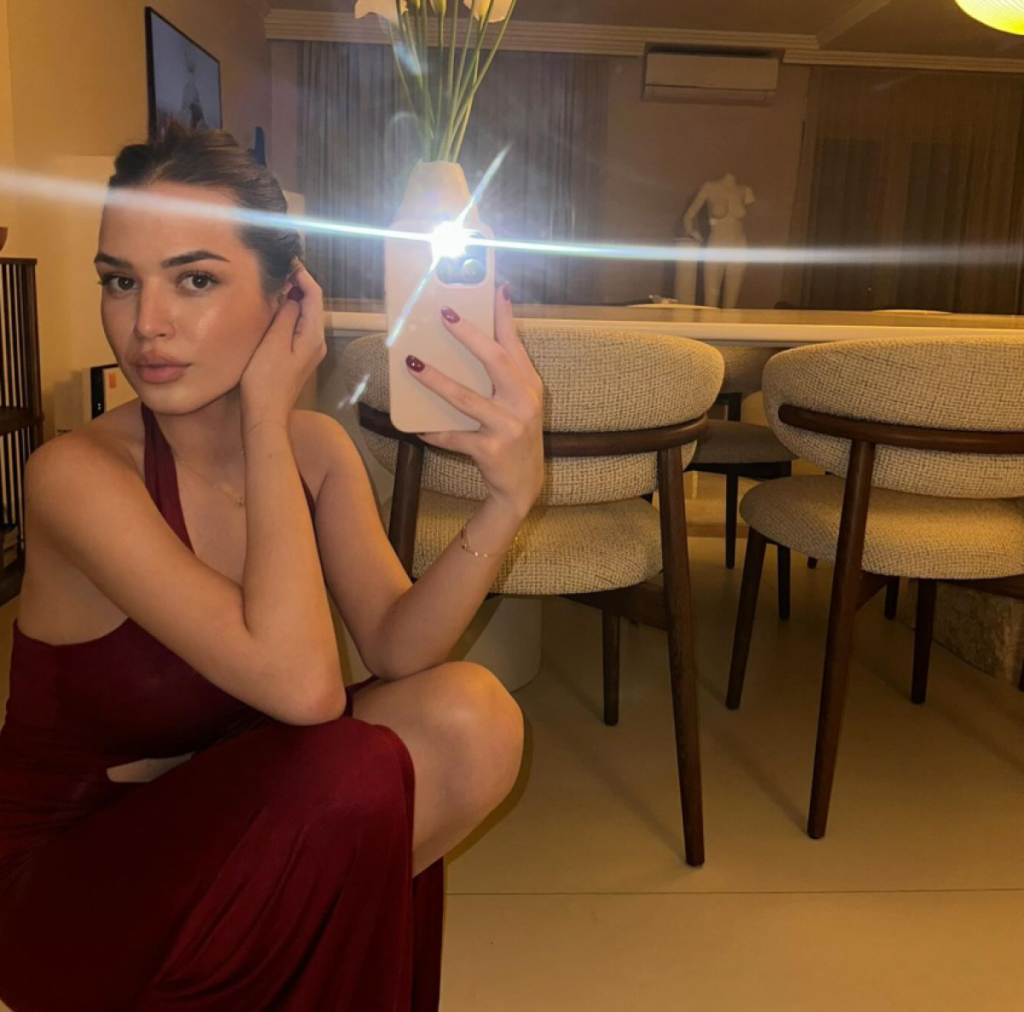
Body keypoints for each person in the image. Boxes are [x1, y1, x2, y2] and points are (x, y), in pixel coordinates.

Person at [0, 123, 542, 1010]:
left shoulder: (317, 451)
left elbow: (400, 650)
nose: (146, 324)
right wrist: (264, 415)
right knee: (350, 775)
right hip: (71, 885)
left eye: (195, 280)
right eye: (121, 281)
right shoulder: (76, 476)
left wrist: (509, 499)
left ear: (285, 297)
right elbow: (304, 693)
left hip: (226, 820)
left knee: (472, 717)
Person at [682, 173, 756, 310]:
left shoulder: (745, 191)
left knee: (731, 306)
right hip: (716, 246)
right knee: (710, 304)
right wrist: (692, 232)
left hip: (739, 247)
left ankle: (729, 324)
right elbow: (688, 217)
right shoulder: (710, 187)